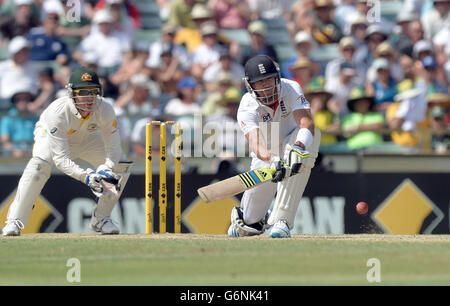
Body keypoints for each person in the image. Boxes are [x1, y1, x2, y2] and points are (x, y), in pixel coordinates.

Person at [2, 67, 131, 236]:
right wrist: (87, 177)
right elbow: (61, 159)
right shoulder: (58, 112)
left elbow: (114, 148)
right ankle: (14, 221)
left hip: (86, 138)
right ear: (72, 93)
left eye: (93, 91)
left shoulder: (105, 108)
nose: (89, 98)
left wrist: (106, 167)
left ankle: (101, 219)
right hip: (51, 137)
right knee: (38, 167)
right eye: (83, 92)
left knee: (121, 165)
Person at [227, 54, 321, 238]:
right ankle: (254, 218)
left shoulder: (291, 88)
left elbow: (307, 122)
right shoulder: (247, 106)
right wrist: (273, 159)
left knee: (312, 138)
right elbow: (256, 144)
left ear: (277, 77)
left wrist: (299, 148)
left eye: (269, 79)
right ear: (250, 85)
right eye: (260, 82)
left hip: (293, 142)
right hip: (266, 154)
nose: (266, 86)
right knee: (249, 223)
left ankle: (282, 221)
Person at [341, 87, 385, 151]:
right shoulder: (348, 118)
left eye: (363, 101)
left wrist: (357, 128)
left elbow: (380, 127)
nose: (361, 104)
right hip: (354, 150)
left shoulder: (376, 115)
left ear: (368, 103)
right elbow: (346, 133)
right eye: (358, 102)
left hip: (375, 150)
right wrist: (370, 127)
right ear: (354, 104)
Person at [0, 91, 38, 157]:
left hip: (33, 155)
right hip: (12, 158)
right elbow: (4, 141)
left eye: (26, 99)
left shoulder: (36, 117)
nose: (22, 102)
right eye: (18, 99)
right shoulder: (7, 118)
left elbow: (41, 138)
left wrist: (33, 151)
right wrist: (14, 151)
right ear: (14, 102)